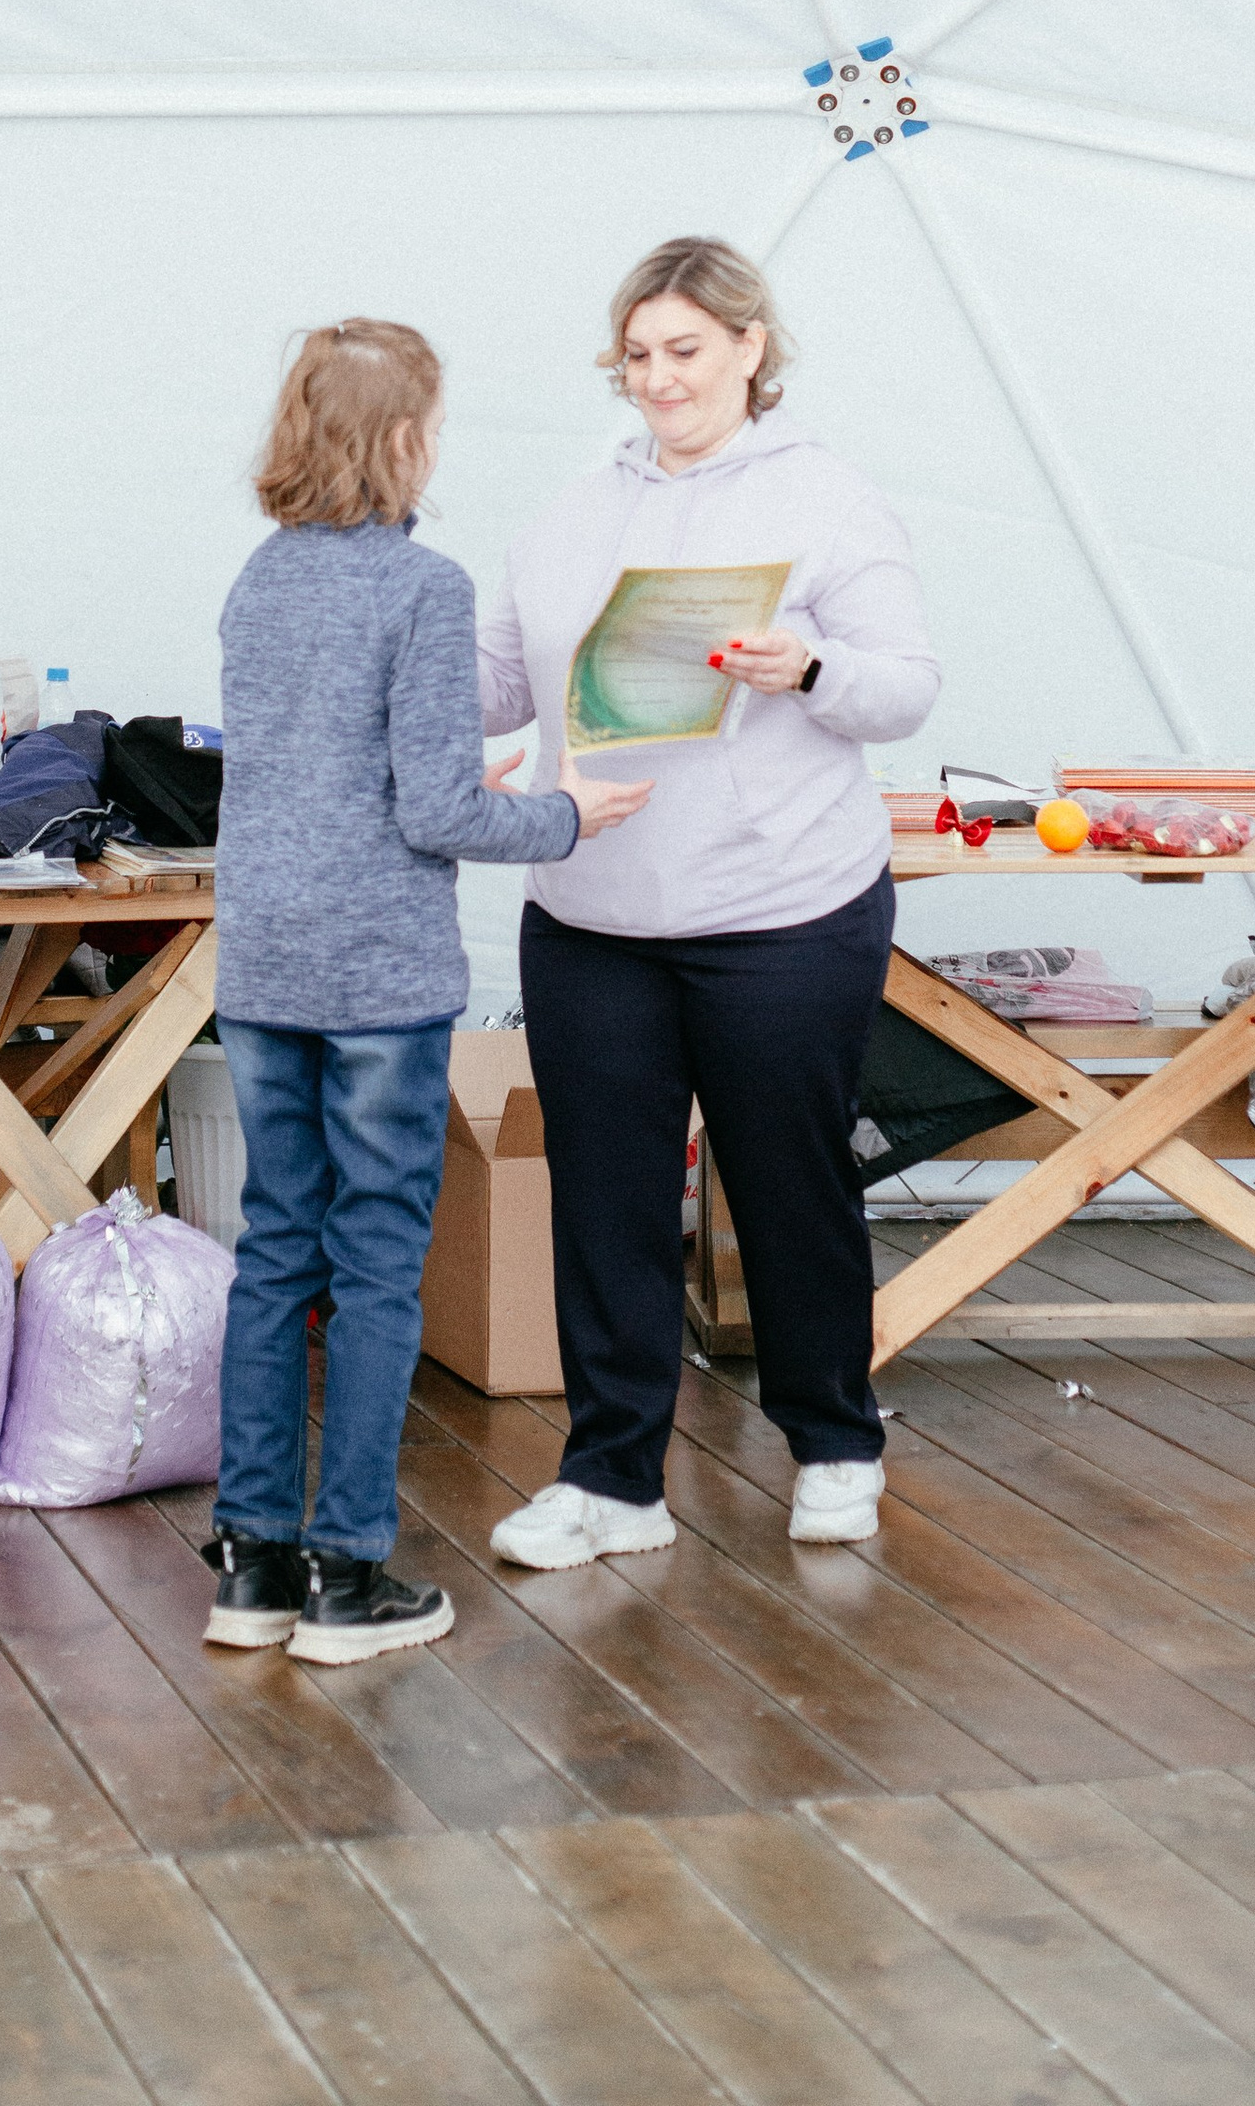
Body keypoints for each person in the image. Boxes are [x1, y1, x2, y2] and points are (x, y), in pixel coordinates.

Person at [478, 236, 939, 1564]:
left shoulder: (831, 503)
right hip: (593, 919)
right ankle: (612, 1482)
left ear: (750, 349)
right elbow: (497, 679)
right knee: (607, 1201)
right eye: (637, 356)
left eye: (685, 349)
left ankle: (837, 1441)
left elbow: (903, 685)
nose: (659, 378)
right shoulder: (572, 512)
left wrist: (808, 668)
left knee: (789, 1187)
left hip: (782, 914)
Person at [203, 316, 649, 1662]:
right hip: (379, 973)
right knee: (380, 1267)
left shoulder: (258, 580)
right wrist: (568, 814)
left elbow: (331, 777)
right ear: (405, 440)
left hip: (265, 958)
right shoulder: (424, 587)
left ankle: (252, 1569)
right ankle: (350, 1577)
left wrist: (473, 791)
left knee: (276, 1254)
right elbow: (439, 813)